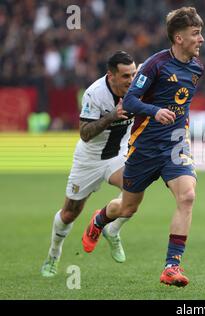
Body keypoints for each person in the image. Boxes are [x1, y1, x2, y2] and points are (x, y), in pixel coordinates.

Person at [81, 7, 204, 288]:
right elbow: (131, 102)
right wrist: (155, 111)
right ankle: (99, 219)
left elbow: (181, 103)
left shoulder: (197, 68)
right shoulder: (154, 65)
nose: (201, 40)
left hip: (174, 144)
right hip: (145, 147)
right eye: (196, 34)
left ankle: (171, 267)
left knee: (187, 197)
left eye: (201, 33)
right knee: (127, 208)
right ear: (178, 38)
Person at [40, 51, 137, 277]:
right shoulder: (94, 94)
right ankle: (54, 255)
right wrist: (112, 116)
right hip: (89, 160)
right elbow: (84, 133)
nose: (130, 81)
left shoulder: (138, 87)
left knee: (134, 192)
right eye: (125, 76)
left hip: (118, 156)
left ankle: (110, 229)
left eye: (132, 74)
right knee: (69, 213)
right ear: (111, 76)